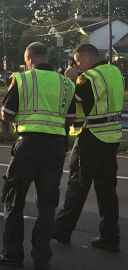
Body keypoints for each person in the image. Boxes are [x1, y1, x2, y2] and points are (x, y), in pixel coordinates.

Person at [0, 42, 76, 270]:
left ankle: (13, 256)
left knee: (13, 200)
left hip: (28, 146)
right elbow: (70, 119)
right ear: (45, 57)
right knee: (47, 205)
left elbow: (7, 114)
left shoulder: (23, 79)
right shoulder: (66, 84)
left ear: (29, 59)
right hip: (56, 147)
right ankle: (41, 258)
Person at [52, 44, 124, 253]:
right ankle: (110, 237)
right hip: (111, 138)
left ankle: (62, 230)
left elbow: (75, 100)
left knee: (77, 187)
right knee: (106, 190)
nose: (76, 64)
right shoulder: (115, 72)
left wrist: (72, 78)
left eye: (78, 60)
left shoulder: (89, 77)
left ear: (88, 55)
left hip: (90, 138)